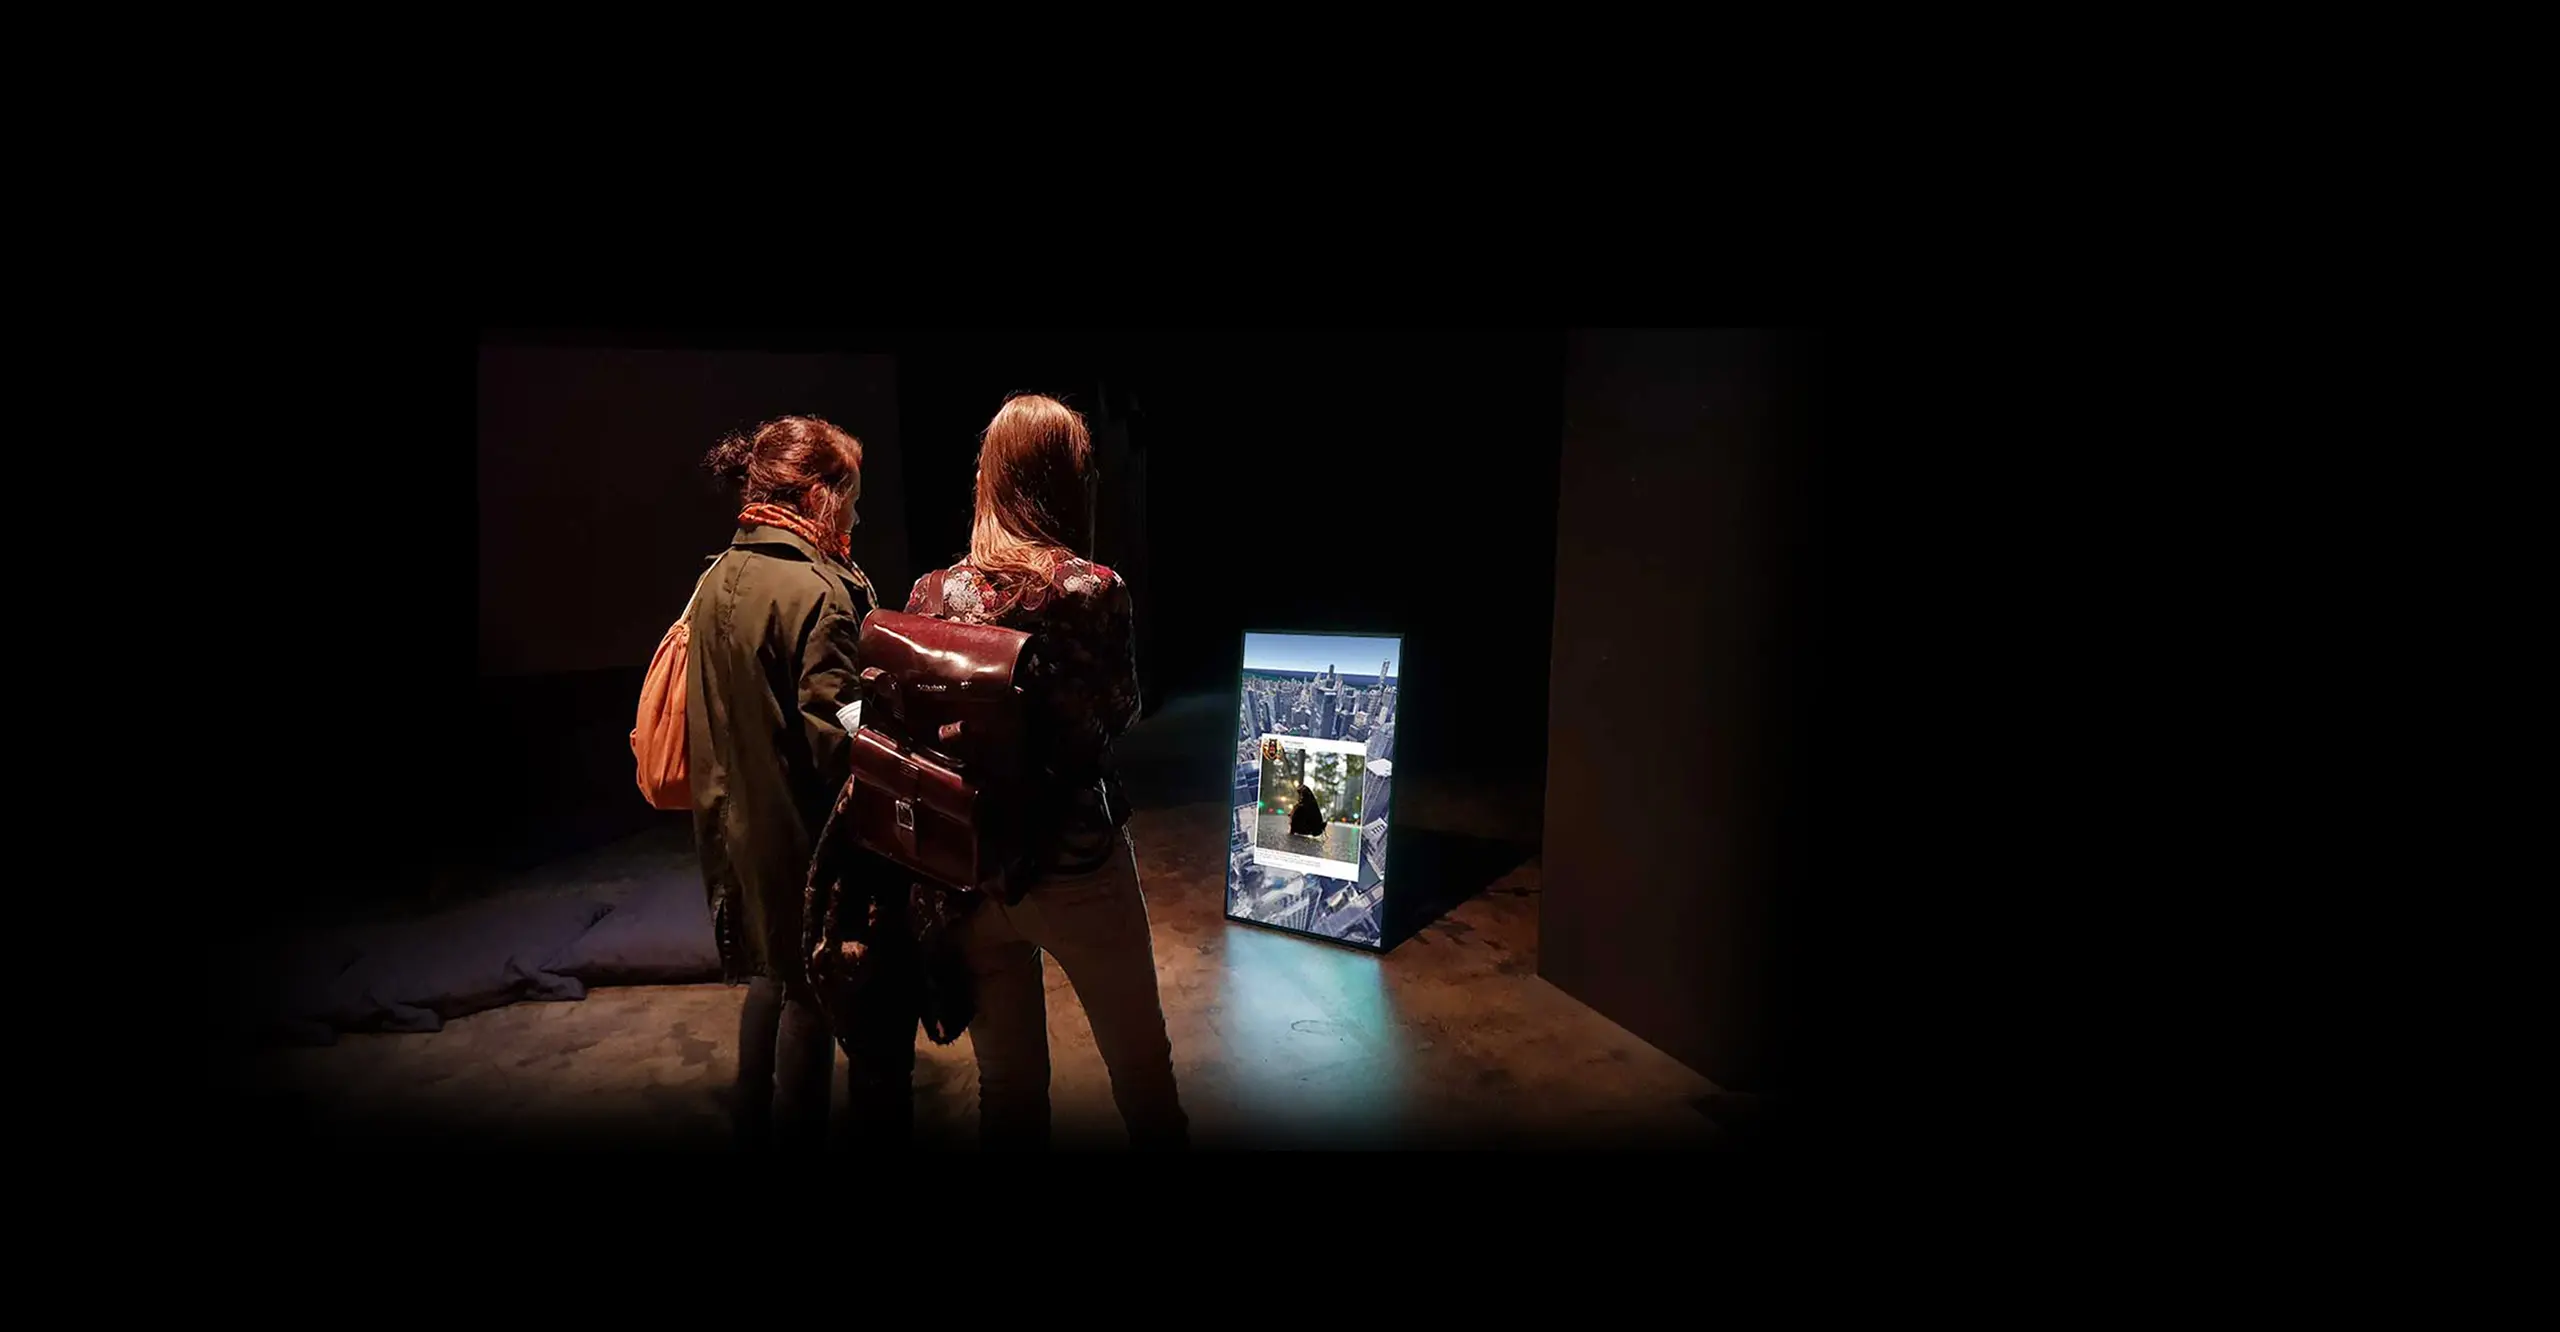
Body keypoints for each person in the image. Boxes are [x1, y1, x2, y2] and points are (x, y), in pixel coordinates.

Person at [906, 393, 1188, 1150]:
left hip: (972, 870)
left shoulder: (931, 594)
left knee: (1008, 1092)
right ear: (1067, 479)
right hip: (1077, 863)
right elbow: (1123, 710)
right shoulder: (1092, 590)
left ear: (990, 478)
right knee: (1143, 1083)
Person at [688, 415, 914, 1151]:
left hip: (740, 828)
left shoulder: (716, 578)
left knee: (772, 972)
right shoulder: (817, 592)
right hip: (809, 842)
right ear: (818, 496)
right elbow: (836, 737)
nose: (857, 514)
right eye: (850, 496)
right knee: (821, 1004)